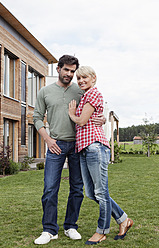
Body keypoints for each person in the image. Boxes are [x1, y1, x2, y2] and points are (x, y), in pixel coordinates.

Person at [33, 55, 105, 245]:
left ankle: (70, 225)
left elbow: (96, 109)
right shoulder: (45, 92)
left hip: (78, 146)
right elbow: (37, 118)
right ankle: (49, 230)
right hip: (55, 145)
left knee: (77, 189)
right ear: (58, 69)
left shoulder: (80, 90)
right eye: (66, 70)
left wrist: (103, 119)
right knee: (50, 188)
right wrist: (48, 140)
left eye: (73, 71)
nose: (70, 74)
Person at [68, 66, 133, 245]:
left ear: (93, 78)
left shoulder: (93, 94)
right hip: (84, 148)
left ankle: (102, 231)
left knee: (101, 192)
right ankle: (123, 220)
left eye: (84, 78)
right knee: (91, 192)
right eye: (78, 78)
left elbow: (81, 121)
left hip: (95, 147)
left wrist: (72, 115)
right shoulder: (85, 96)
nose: (81, 81)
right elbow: (90, 118)